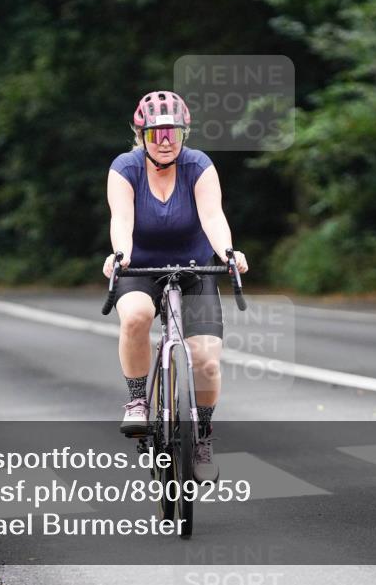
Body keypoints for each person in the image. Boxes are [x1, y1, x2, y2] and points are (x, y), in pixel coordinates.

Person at [103, 90, 249, 482]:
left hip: (196, 267)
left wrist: (228, 252)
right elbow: (122, 220)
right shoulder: (124, 168)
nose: (166, 143)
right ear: (141, 135)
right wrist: (120, 254)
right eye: (156, 135)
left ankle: (201, 435)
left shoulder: (199, 165)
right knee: (135, 316)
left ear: (185, 134)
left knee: (205, 360)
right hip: (140, 264)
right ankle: (137, 401)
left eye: (174, 134)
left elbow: (213, 216)